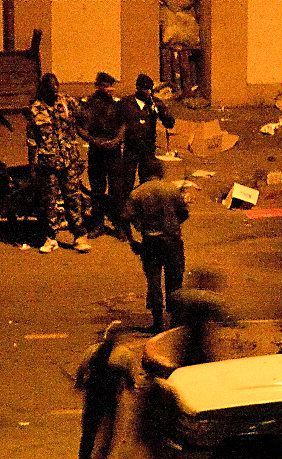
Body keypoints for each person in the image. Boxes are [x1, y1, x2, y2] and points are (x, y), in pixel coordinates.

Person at [27, 73, 92, 254]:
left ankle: (79, 236)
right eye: (51, 90)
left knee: (73, 198)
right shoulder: (35, 109)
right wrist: (32, 166)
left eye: (57, 89)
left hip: (69, 160)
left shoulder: (66, 101)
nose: (55, 93)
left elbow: (84, 115)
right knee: (49, 201)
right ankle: (50, 237)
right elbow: (32, 141)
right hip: (48, 164)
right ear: (44, 89)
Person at [74, 321, 135, 459]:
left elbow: (81, 373)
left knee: (88, 436)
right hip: (109, 402)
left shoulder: (92, 351)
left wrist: (80, 384)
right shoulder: (124, 355)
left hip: (93, 400)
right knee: (106, 440)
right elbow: (130, 381)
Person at [128, 159, 189, 332]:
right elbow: (184, 213)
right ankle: (175, 321)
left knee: (153, 281)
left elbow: (126, 217)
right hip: (172, 241)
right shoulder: (171, 190)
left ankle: (157, 322)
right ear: (161, 171)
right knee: (175, 281)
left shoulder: (137, 193)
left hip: (150, 242)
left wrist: (133, 239)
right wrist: (172, 225)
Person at [113, 74, 176, 240]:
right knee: (126, 186)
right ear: (137, 88)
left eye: (149, 89)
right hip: (130, 151)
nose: (147, 92)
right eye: (144, 89)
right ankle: (122, 225)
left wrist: (159, 111)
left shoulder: (155, 104)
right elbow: (115, 122)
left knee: (147, 186)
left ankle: (146, 221)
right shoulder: (126, 104)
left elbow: (170, 123)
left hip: (148, 152)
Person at [78, 72, 125, 239]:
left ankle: (119, 225)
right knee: (97, 190)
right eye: (106, 86)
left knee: (116, 190)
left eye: (111, 86)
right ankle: (98, 224)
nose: (110, 89)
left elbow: (123, 126)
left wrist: (117, 140)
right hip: (96, 152)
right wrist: (94, 141)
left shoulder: (117, 105)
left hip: (113, 152)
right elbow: (81, 128)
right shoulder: (89, 105)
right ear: (98, 86)